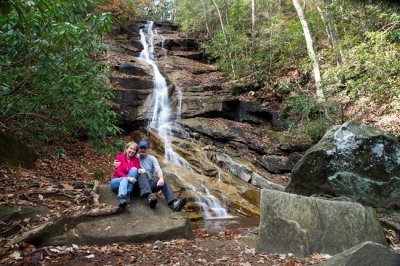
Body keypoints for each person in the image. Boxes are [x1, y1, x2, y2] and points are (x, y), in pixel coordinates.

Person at [114, 139, 187, 212]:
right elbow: (124, 160)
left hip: (149, 183)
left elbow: (158, 170)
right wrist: (115, 164)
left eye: (144, 148)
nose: (143, 150)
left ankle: (173, 203)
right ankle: (150, 196)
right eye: (141, 148)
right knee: (141, 173)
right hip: (136, 185)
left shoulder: (152, 159)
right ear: (138, 149)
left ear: (148, 149)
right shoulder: (135, 157)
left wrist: (161, 178)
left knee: (163, 181)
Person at [110, 141, 140, 208]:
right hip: (116, 182)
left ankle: (127, 194)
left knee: (134, 169)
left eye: (134, 150)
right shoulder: (120, 157)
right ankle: (122, 197)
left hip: (127, 185)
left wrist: (141, 170)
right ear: (126, 149)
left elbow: (137, 170)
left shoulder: (136, 160)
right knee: (124, 179)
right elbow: (118, 171)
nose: (132, 151)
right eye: (131, 148)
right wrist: (127, 178)